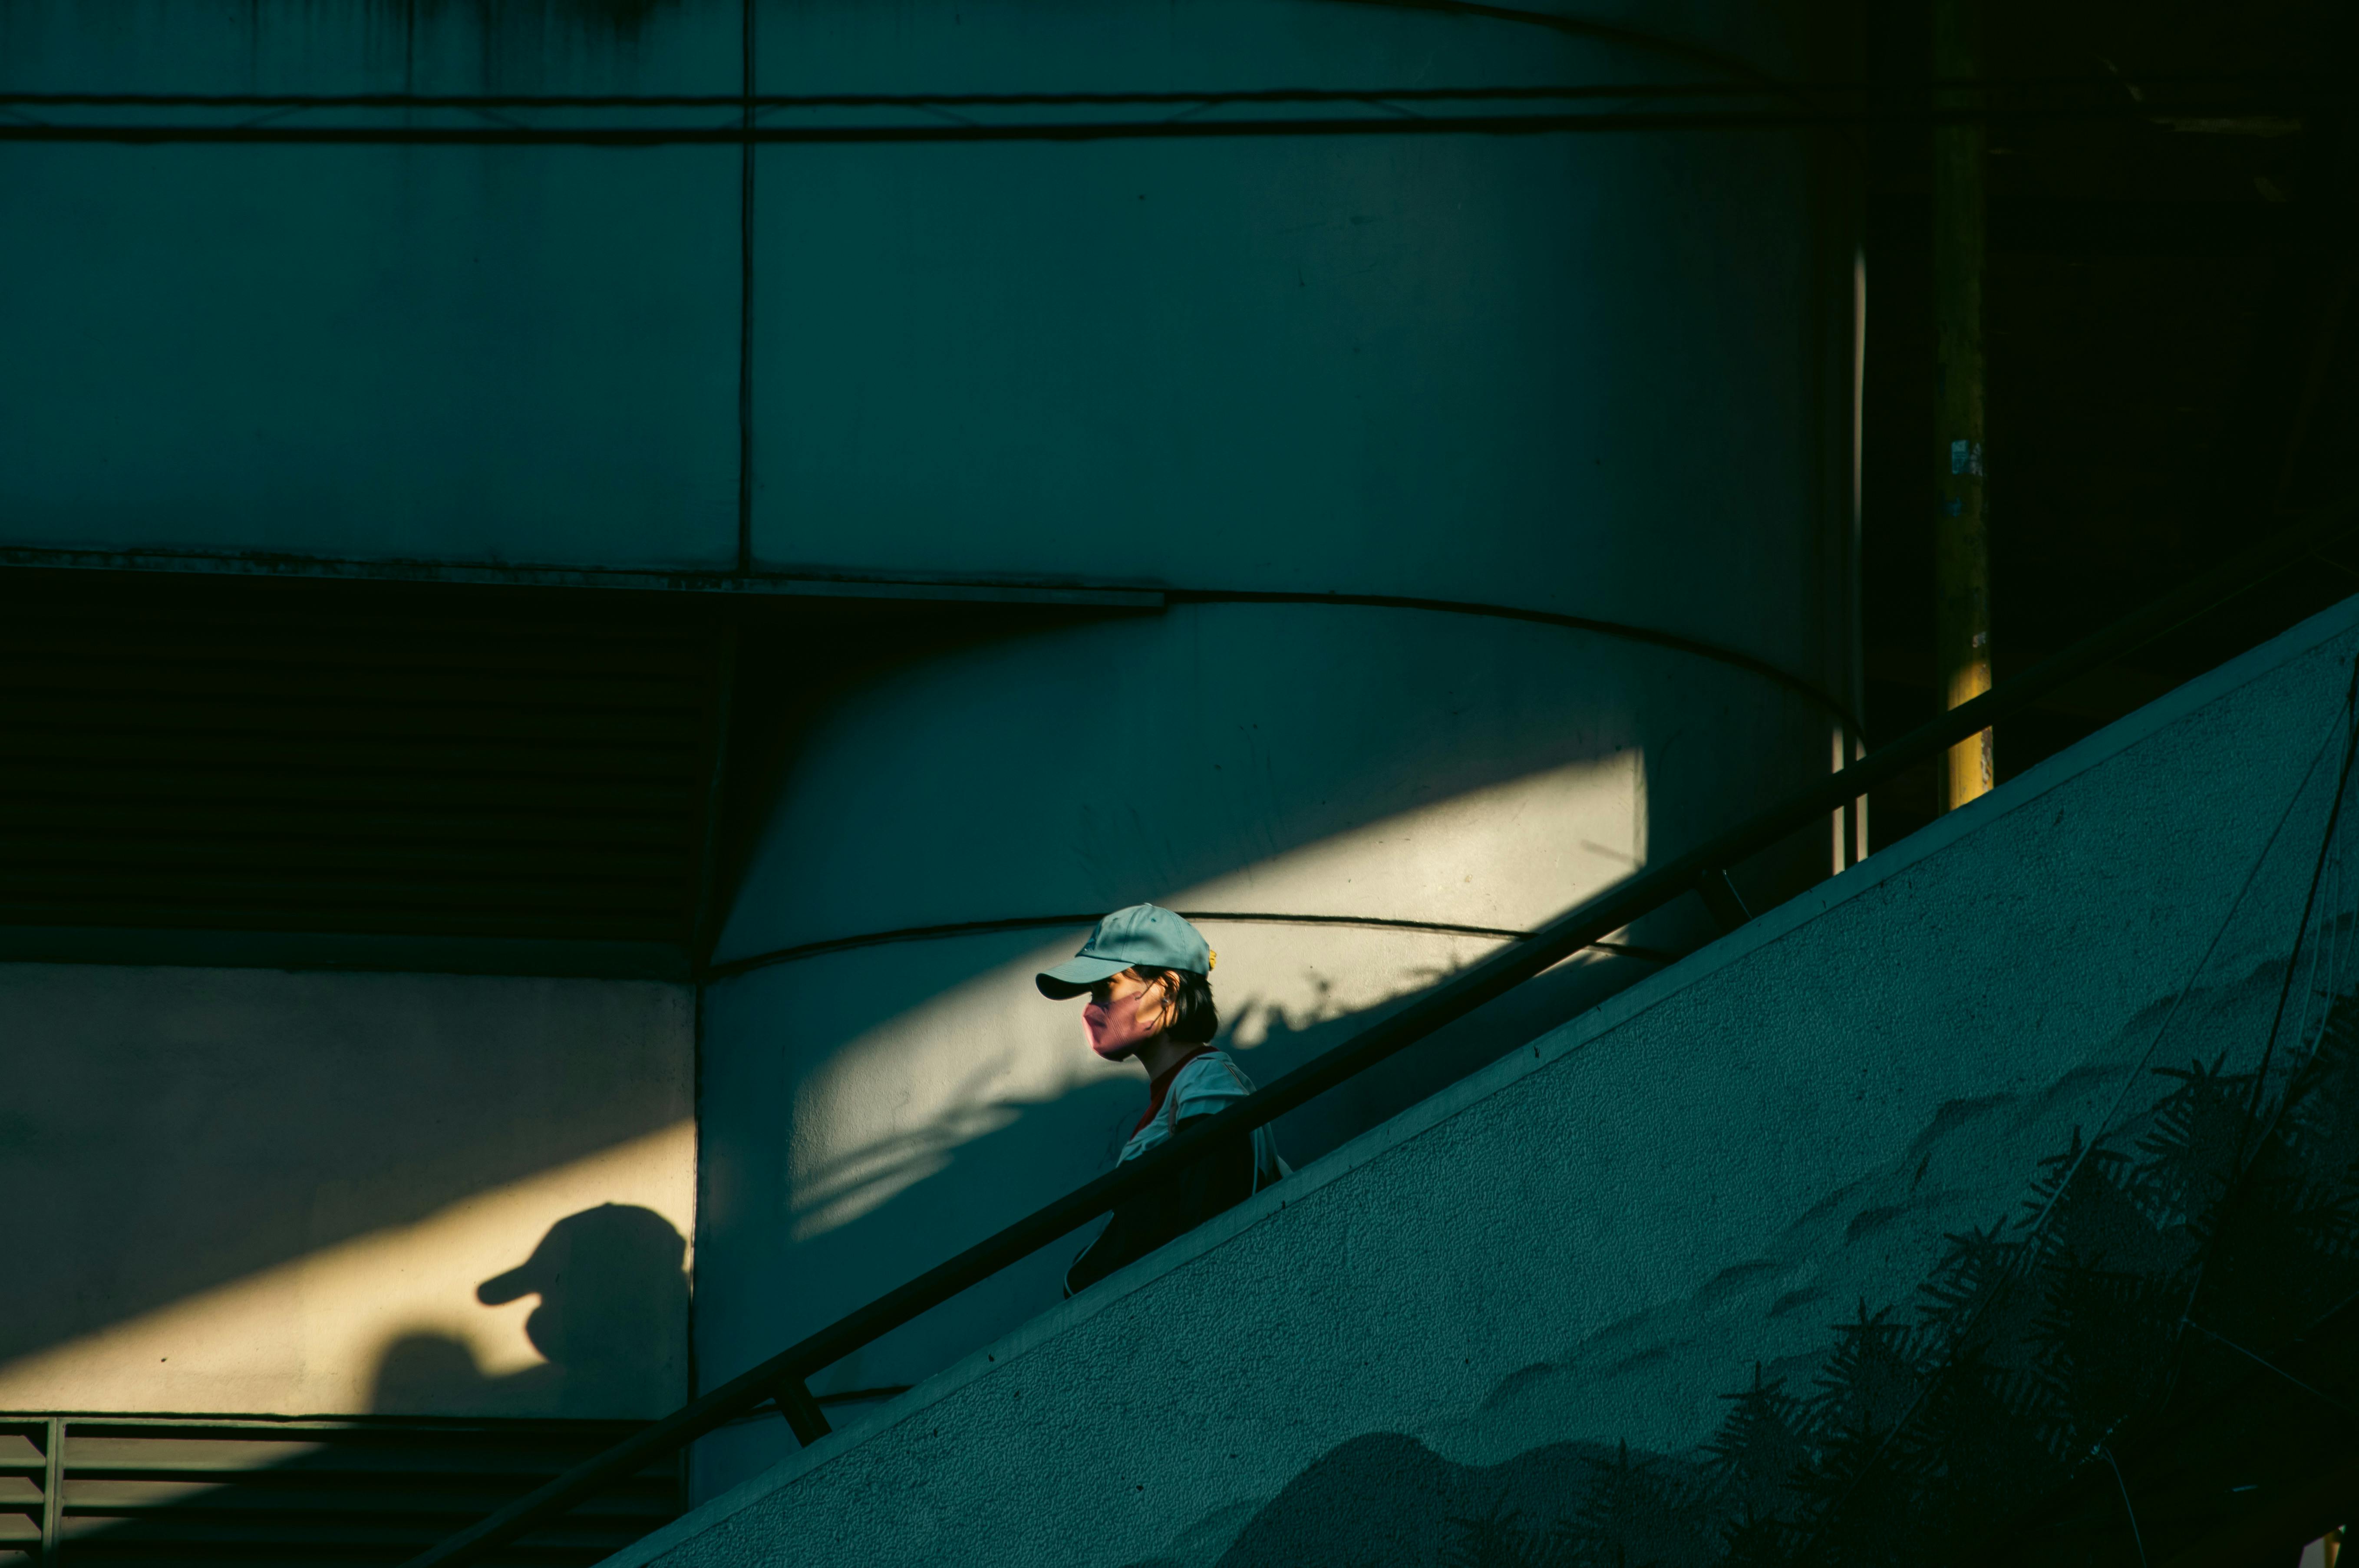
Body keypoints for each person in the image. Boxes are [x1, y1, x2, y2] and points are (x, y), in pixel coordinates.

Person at [1037, 903, 1286, 1295]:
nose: (1092, 1008)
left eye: (1106, 987)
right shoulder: (1182, 1092)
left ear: (1166, 991)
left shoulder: (1206, 1088)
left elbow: (1208, 1233)